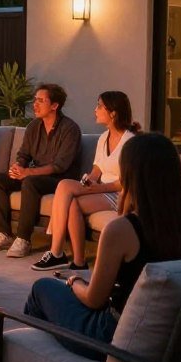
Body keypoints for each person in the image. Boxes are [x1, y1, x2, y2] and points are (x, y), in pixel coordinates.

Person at [14, 132, 181, 362]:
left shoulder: (123, 229)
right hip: (164, 336)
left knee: (43, 289)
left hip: (112, 335)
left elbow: (94, 300)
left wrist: (73, 282)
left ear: (131, 175)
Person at [31, 91, 138, 272]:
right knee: (71, 201)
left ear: (113, 112)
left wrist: (98, 187)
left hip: (120, 194)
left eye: (99, 106)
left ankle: (56, 252)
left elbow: (125, 183)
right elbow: (98, 169)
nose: (95, 110)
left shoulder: (130, 142)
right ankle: (79, 262)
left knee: (64, 185)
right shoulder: (104, 138)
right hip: (102, 189)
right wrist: (89, 180)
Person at [0, 83, 82, 258]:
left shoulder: (70, 129)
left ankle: (23, 239)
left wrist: (28, 173)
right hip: (35, 174)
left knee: (30, 182)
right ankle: (4, 234)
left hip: (60, 180)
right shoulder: (34, 126)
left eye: (40, 101)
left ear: (54, 105)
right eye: (34, 100)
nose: (34, 105)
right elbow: (24, 154)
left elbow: (60, 166)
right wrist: (18, 167)